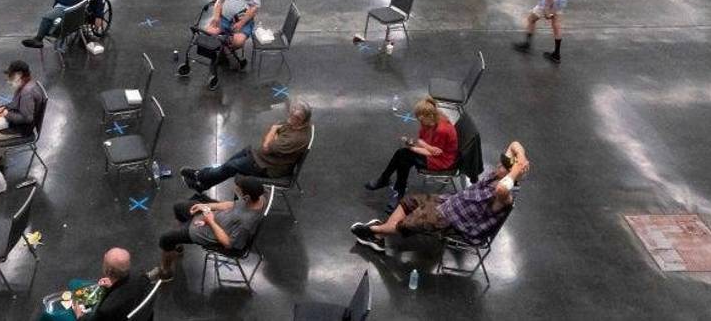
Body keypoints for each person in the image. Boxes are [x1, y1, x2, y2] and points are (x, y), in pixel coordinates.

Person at [350, 142, 529, 251]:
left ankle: (373, 232)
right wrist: (520, 159)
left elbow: (502, 191)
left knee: (406, 224)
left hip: (454, 221)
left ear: (510, 175)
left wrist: (514, 173)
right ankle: (379, 238)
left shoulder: (506, 195)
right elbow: (515, 144)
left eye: (504, 167)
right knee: (409, 201)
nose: (498, 165)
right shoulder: (499, 176)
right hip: (450, 202)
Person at [149, 176, 267, 282]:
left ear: (246, 197)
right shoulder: (258, 197)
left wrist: (210, 221)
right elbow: (231, 204)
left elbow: (229, 244)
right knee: (178, 207)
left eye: (238, 189)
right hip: (213, 217)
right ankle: (178, 244)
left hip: (210, 231)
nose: (235, 190)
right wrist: (206, 206)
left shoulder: (246, 223)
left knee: (166, 239)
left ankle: (166, 272)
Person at [181, 101, 312, 192]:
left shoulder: (295, 138)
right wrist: (274, 138)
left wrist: (273, 131)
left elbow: (266, 145)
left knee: (230, 167)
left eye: (292, 116)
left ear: (300, 120)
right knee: (229, 164)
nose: (288, 118)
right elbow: (272, 139)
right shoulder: (296, 125)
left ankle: (200, 176)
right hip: (264, 157)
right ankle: (202, 183)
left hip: (268, 167)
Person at [364, 98, 457, 206]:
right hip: (433, 152)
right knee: (402, 155)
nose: (420, 122)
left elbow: (434, 153)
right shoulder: (430, 121)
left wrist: (413, 148)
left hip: (441, 160)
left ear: (430, 116)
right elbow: (422, 140)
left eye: (421, 120)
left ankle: (392, 185)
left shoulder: (442, 130)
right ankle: (394, 186)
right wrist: (420, 145)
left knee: (404, 156)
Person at [0, 60, 45, 164]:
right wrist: (5, 107)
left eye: (11, 76)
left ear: (19, 75)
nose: (9, 79)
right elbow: (16, 103)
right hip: (13, 122)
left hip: (19, 130)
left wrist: (7, 114)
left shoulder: (27, 93)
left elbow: (27, 119)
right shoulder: (25, 84)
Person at [70, 248, 148, 321]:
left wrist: (79, 316)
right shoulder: (142, 278)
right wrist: (113, 286)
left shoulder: (106, 310)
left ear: (108, 271)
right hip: (137, 312)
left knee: (73, 284)